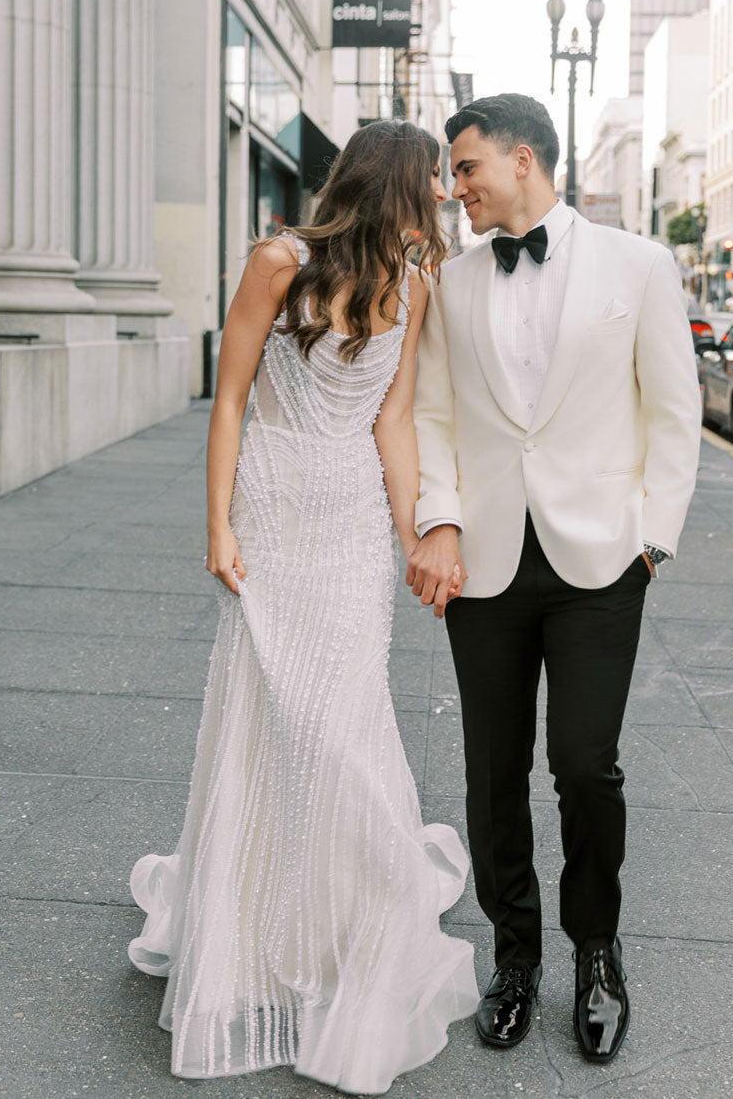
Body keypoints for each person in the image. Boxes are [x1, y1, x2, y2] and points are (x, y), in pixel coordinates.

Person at [127, 120, 478, 1094]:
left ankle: (349, 930)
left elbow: (394, 418)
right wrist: (217, 526)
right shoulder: (278, 263)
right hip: (272, 520)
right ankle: (251, 939)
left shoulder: (418, 285)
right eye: (435, 182)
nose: (446, 197)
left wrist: (416, 534)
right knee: (268, 729)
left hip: (352, 536)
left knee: (348, 734)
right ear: (392, 184)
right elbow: (230, 396)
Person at [406, 93, 701, 1062]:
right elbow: (436, 416)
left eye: (467, 169)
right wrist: (438, 523)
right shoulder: (449, 281)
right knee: (493, 773)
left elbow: (671, 408)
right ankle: (517, 955)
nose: (457, 188)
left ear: (522, 159)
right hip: (481, 559)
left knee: (584, 764)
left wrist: (650, 538)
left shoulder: (638, 264)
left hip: (599, 562)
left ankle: (598, 953)